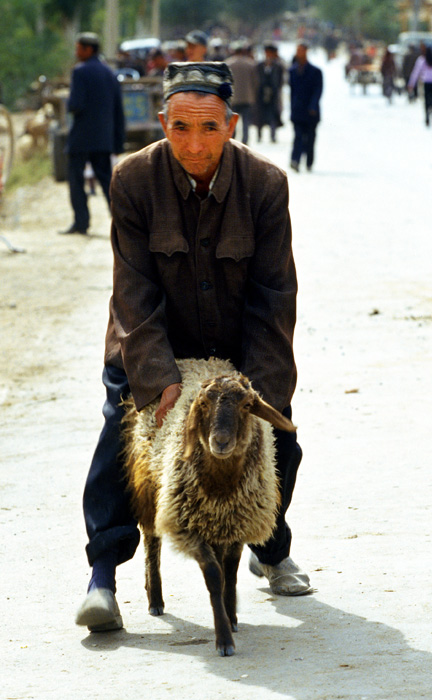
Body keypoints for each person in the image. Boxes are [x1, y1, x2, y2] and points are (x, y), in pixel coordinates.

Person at [75, 61, 312, 633]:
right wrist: (159, 379)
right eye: (181, 126)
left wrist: (258, 391)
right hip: (147, 344)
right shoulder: (133, 180)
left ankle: (269, 547)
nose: (195, 142)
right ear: (162, 122)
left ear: (231, 125)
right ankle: (102, 577)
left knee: (277, 443)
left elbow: (274, 294)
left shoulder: (264, 184)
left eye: (209, 127)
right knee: (119, 440)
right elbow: (132, 290)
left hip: (235, 355)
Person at [60, 32, 124, 235]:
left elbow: (75, 105)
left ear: (89, 50)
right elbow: (118, 110)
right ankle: (122, 224)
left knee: (76, 180)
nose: (76, 52)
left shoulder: (79, 72)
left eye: (79, 48)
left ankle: (81, 223)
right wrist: (117, 141)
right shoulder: (109, 73)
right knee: (106, 181)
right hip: (103, 138)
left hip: (81, 137)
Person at [289, 41, 323, 172]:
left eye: (301, 50)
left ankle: (309, 162)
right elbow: (292, 93)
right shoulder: (292, 71)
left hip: (311, 112)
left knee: (310, 139)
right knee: (297, 137)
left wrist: (313, 106)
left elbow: (318, 91)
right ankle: (295, 160)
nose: (299, 53)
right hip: (297, 111)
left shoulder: (316, 72)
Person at [226, 40, 258, 145]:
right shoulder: (250, 64)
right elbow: (256, 82)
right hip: (247, 97)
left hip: (233, 98)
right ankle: (244, 143)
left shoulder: (228, 64)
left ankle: (233, 142)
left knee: (232, 123)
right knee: (246, 123)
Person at [407, 45, 432, 126]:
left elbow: (416, 73)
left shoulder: (422, 60)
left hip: (426, 82)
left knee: (426, 100)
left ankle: (427, 117)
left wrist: (411, 84)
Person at [255, 43, 284, 143]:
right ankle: (259, 135)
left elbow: (280, 81)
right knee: (260, 115)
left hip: (273, 95)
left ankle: (273, 135)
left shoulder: (278, 66)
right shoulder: (259, 65)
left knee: (273, 115)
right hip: (261, 94)